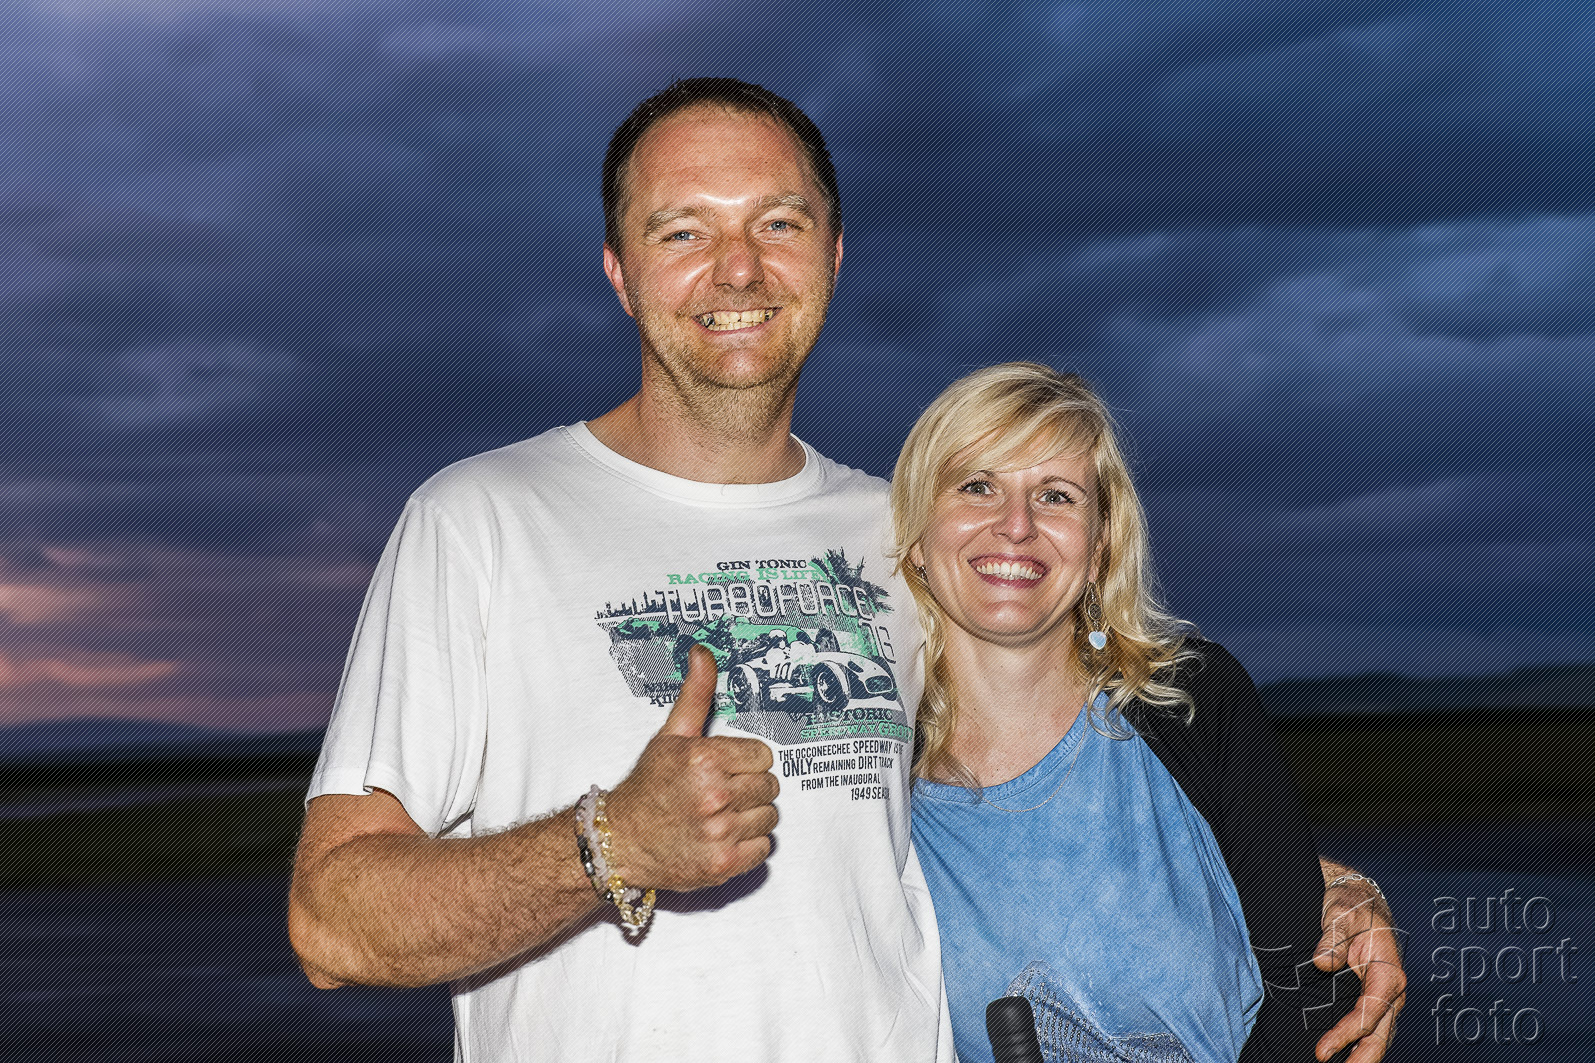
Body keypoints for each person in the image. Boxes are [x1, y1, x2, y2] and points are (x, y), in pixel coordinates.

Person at [287, 78, 1402, 1062]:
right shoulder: (481, 519)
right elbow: (331, 923)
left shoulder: (904, 535)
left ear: (830, 255)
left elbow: (1057, 773)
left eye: (777, 222)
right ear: (620, 271)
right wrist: (609, 844)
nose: (737, 266)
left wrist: (1314, 889)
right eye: (683, 229)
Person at [892, 362, 1398, 1062]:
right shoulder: (870, 768)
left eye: (1056, 495)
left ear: (1100, 544)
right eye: (977, 486)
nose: (1016, 525)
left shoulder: (1193, 701)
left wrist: (1345, 886)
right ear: (917, 534)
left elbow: (1309, 979)